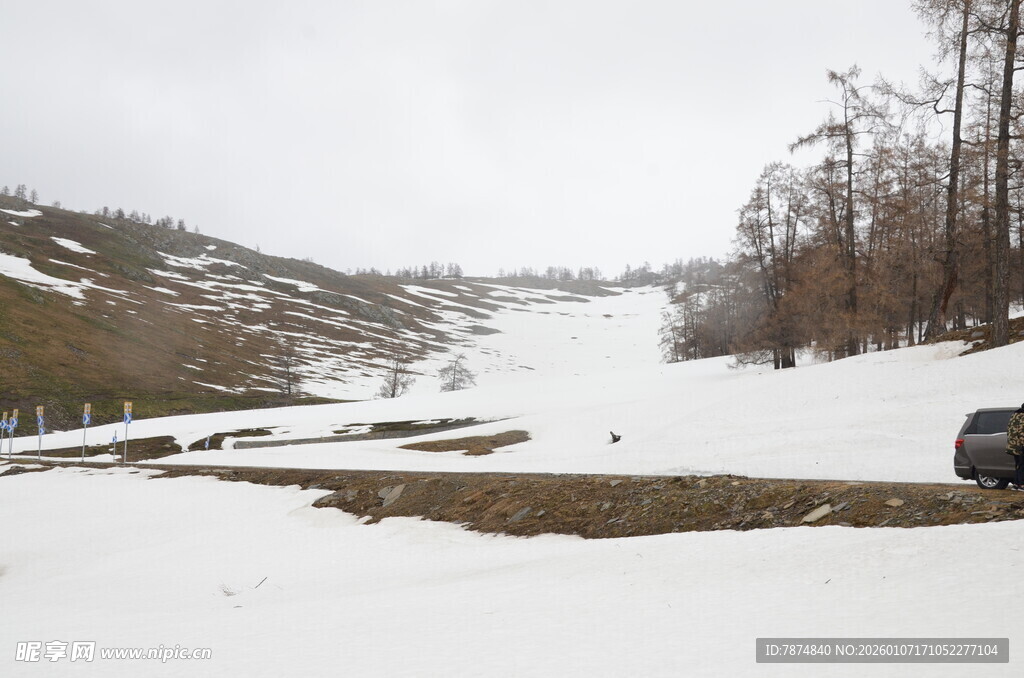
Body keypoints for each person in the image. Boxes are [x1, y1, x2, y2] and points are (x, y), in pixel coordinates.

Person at [1007, 403, 1024, 488]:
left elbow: (1009, 429)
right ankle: (1022, 484)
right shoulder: (1023, 416)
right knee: (1022, 465)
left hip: (1013, 445)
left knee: (1018, 465)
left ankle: (1016, 484)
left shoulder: (1014, 415)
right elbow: (1022, 432)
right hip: (1020, 446)